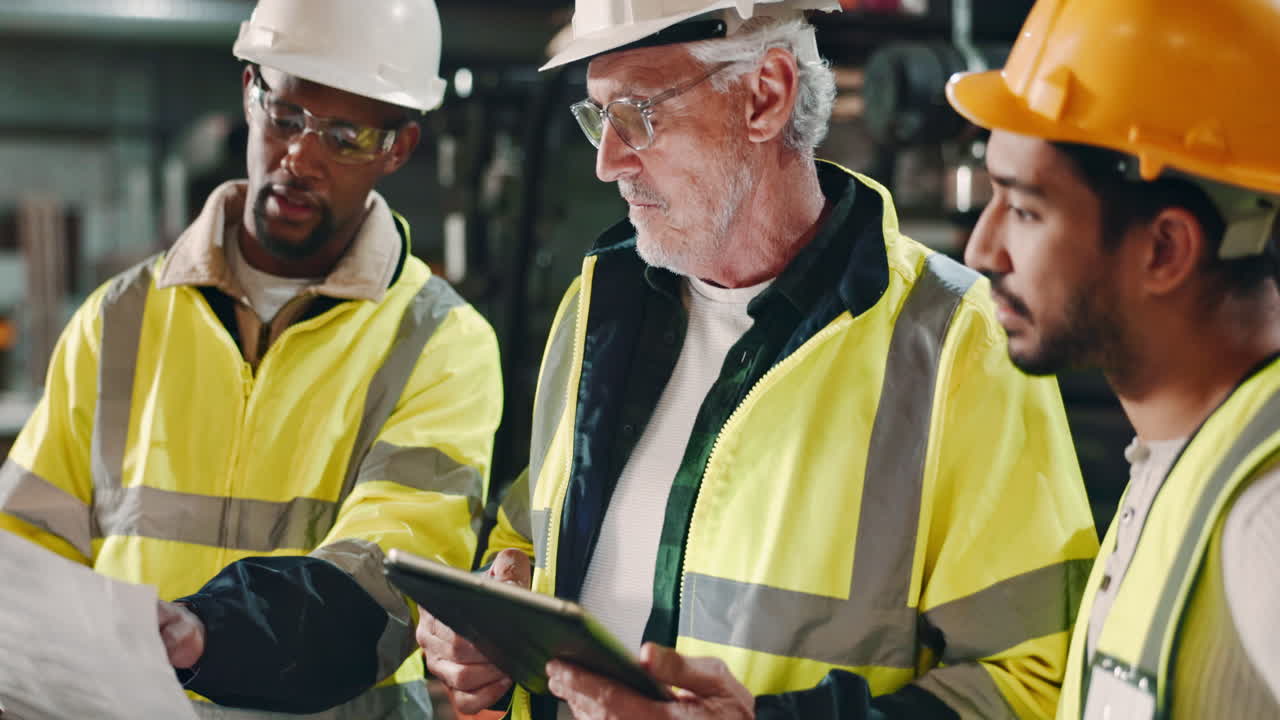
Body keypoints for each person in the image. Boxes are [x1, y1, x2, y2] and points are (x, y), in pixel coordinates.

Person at [418, 1, 1098, 718]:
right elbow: (529, 530)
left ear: (766, 95)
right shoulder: (599, 305)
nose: (607, 162)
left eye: (638, 115)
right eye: (597, 118)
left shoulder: (957, 344)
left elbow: (1029, 688)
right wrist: (500, 597)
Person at [0, 0, 503, 717]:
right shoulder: (121, 317)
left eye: (347, 136)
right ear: (249, 93)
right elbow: (27, 542)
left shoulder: (441, 346)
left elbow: (386, 578)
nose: (300, 157)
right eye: (287, 116)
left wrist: (208, 634)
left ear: (400, 147)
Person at [947, 0, 1280, 717]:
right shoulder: (1180, 459)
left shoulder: (1267, 515)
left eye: (1027, 209)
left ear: (1163, 249)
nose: (982, 249)